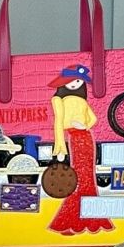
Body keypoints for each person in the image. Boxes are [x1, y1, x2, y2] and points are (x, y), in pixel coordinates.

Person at [47, 63, 114, 235]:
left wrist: (84, 125)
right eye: (71, 80)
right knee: (77, 178)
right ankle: (72, 219)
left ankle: (89, 218)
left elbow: (93, 119)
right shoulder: (58, 100)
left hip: (86, 138)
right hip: (72, 138)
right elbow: (58, 122)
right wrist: (60, 146)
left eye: (78, 81)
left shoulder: (82, 101)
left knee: (88, 177)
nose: (75, 84)